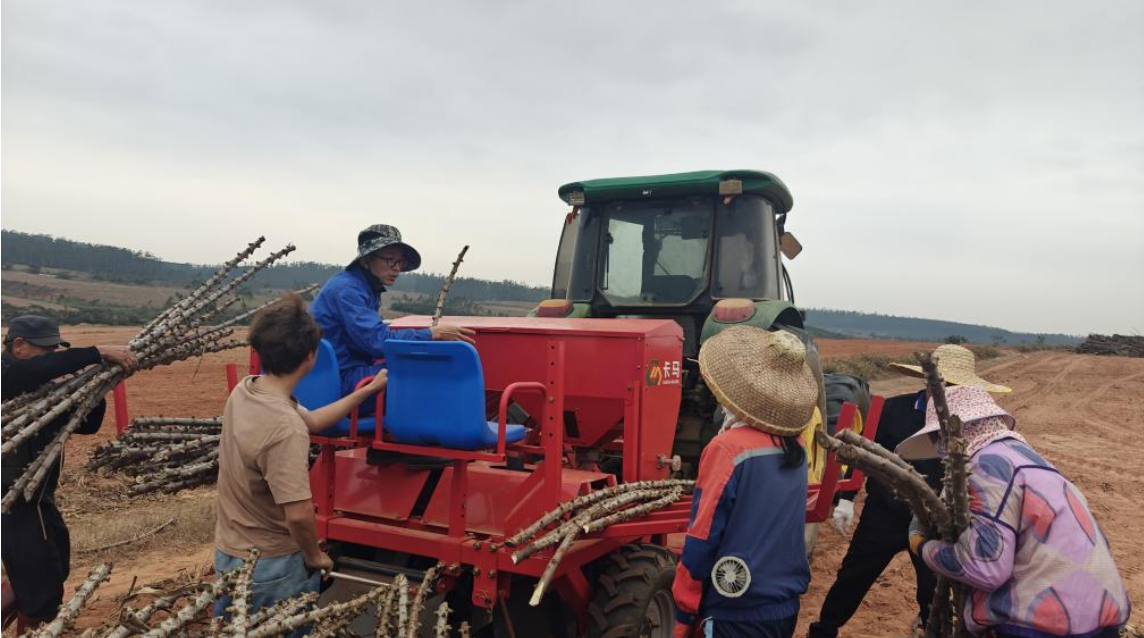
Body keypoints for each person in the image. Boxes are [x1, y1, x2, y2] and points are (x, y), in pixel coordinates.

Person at [807, 344, 1011, 638]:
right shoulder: (892, 409)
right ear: (927, 380)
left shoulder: (968, 424)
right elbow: (864, 454)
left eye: (954, 386)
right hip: (884, 515)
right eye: (942, 383)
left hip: (936, 523)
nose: (945, 391)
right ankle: (823, 631)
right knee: (853, 576)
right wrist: (847, 500)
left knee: (933, 590)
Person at [901, 385, 1129, 638]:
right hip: (1100, 612)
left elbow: (984, 568)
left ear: (948, 434)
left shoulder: (985, 467)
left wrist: (922, 546)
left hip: (1045, 624)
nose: (936, 445)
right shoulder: (1030, 460)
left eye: (936, 437)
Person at [213, 294, 388, 620]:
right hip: (272, 566)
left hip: (228, 552)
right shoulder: (286, 428)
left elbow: (314, 421)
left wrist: (366, 391)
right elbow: (297, 514)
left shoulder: (246, 390)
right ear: (311, 356)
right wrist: (315, 556)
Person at [673, 326, 818, 638]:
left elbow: (702, 536)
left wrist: (684, 610)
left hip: (736, 611)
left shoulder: (728, 448)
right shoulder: (796, 446)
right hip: (784, 605)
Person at [1, 316, 136, 634]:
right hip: (13, 501)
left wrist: (96, 386)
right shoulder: (7, 373)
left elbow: (87, 425)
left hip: (38, 497)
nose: (53, 356)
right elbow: (33, 371)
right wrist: (97, 352)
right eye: (46, 349)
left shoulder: (44, 388)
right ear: (19, 345)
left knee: (55, 564)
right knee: (41, 588)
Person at [310, 224, 475, 416]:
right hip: (337, 384)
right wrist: (431, 334)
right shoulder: (349, 290)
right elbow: (377, 341)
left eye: (401, 262)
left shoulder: (361, 286)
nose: (397, 269)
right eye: (390, 260)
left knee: (417, 363)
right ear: (366, 260)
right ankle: (444, 426)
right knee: (427, 366)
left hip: (332, 378)